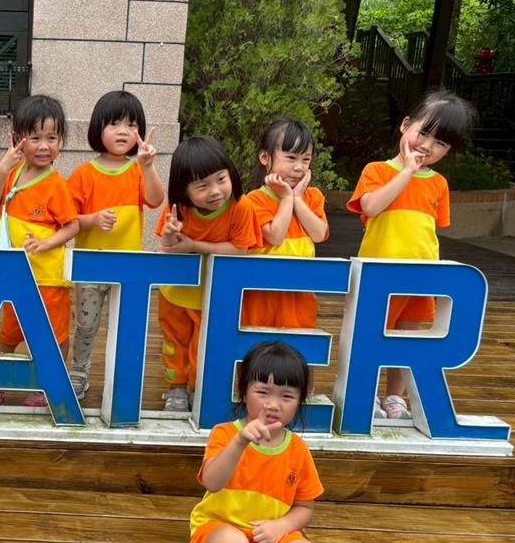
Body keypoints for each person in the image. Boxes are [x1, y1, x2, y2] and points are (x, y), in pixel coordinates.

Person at [190, 341, 326, 543]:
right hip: (219, 531)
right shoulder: (226, 434)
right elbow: (212, 481)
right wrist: (240, 442)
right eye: (263, 392)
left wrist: (282, 527)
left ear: (300, 401)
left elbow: (305, 507)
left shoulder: (298, 450)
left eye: (286, 396)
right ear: (243, 391)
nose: (273, 404)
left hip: (269, 539)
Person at [347, 90, 477, 419]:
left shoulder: (438, 184)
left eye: (440, 143)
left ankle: (394, 396)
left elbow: (430, 230)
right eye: (424, 133)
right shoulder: (377, 170)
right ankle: (364, 392)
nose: (428, 146)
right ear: (406, 125)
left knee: (407, 337)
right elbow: (370, 207)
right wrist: (406, 172)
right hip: (378, 274)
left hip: (419, 275)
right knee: (371, 334)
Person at [0, 94, 79, 407]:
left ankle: (48, 386)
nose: (44, 146)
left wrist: (45, 243)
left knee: (53, 336)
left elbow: (72, 226)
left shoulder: (57, 184)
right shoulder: (11, 173)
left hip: (47, 278)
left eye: (52, 138)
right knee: (9, 333)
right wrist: (1, 169)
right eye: (35, 138)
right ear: (17, 139)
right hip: (14, 277)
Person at [67, 90, 165, 400]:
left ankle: (122, 377)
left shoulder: (137, 170)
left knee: (126, 326)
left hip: (128, 267)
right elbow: (67, 220)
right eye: (114, 124)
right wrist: (93, 219)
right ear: (98, 128)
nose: (123, 131)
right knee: (86, 325)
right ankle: (79, 371)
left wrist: (148, 166)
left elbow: (155, 199)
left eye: (131, 125)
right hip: (91, 266)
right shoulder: (83, 174)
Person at [157, 137, 261, 411]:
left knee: (203, 344)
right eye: (202, 186)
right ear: (184, 190)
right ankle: (175, 388)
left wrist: (194, 246)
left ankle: (196, 388)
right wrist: (169, 235)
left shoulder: (240, 206)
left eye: (221, 179)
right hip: (176, 293)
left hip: (213, 294)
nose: (215, 191)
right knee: (175, 343)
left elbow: (240, 250)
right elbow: (167, 249)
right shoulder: (178, 209)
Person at [241, 119, 328, 329]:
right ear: (265, 157)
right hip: (262, 294)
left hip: (299, 293)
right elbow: (275, 235)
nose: (299, 167)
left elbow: (319, 234)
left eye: (306, 160)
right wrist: (287, 199)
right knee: (257, 341)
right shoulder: (254, 200)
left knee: (297, 340)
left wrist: (297, 199)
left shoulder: (313, 197)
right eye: (291, 158)